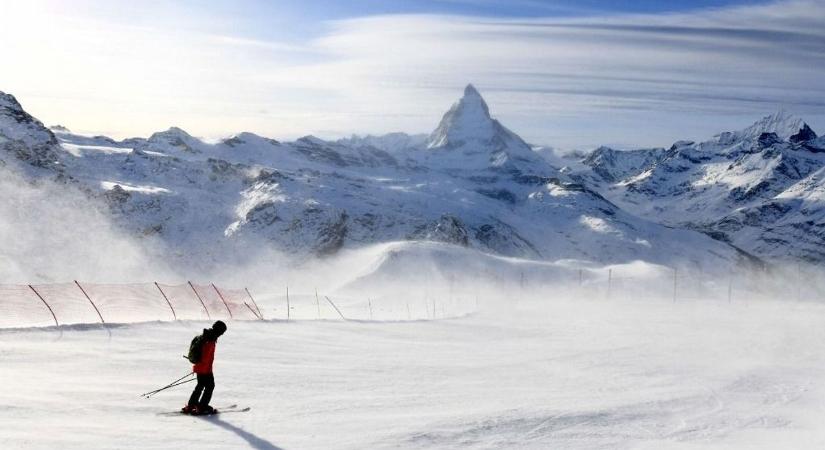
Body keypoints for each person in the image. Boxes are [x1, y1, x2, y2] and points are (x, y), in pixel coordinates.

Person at [183, 320, 227, 415]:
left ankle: (191, 405)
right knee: (210, 386)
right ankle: (202, 407)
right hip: (205, 369)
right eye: (222, 332)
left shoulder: (205, 336)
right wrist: (206, 370)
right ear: (219, 330)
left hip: (200, 368)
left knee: (200, 386)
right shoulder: (210, 339)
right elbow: (206, 357)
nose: (222, 334)